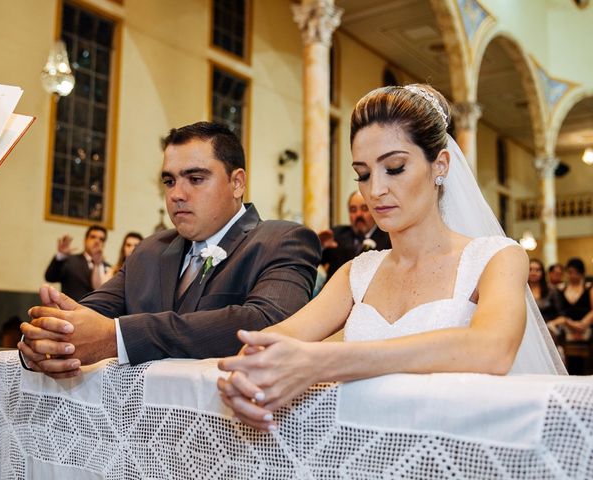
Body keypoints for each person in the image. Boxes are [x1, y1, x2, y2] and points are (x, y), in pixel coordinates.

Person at [217, 84, 566, 431]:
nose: (375, 191)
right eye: (363, 175)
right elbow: (279, 338)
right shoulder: (357, 273)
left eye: (395, 168)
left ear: (440, 165)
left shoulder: (497, 257)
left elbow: (493, 348)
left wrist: (325, 361)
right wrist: (247, 372)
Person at [19, 122, 321, 377]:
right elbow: (90, 314)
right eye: (169, 180)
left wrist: (119, 338)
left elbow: (266, 324)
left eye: (196, 178)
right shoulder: (149, 251)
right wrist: (49, 335)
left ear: (237, 183)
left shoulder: (282, 240)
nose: (176, 194)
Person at [319, 191, 391, 281]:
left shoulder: (389, 239)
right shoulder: (336, 235)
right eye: (353, 210)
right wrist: (320, 245)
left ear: (374, 210)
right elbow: (315, 261)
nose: (358, 214)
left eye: (364, 208)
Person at [548, 257, 593, 374]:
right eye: (570, 272)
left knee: (587, 364)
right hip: (566, 329)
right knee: (570, 364)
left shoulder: (589, 288)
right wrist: (569, 323)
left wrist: (582, 324)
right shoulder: (560, 289)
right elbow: (559, 311)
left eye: (577, 273)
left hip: (586, 328)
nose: (573, 276)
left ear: (582, 273)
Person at [44, 225, 111, 300]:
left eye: (101, 239)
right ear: (85, 240)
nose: (97, 241)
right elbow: (50, 277)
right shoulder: (70, 260)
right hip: (71, 309)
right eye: (93, 237)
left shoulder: (108, 268)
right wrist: (61, 255)